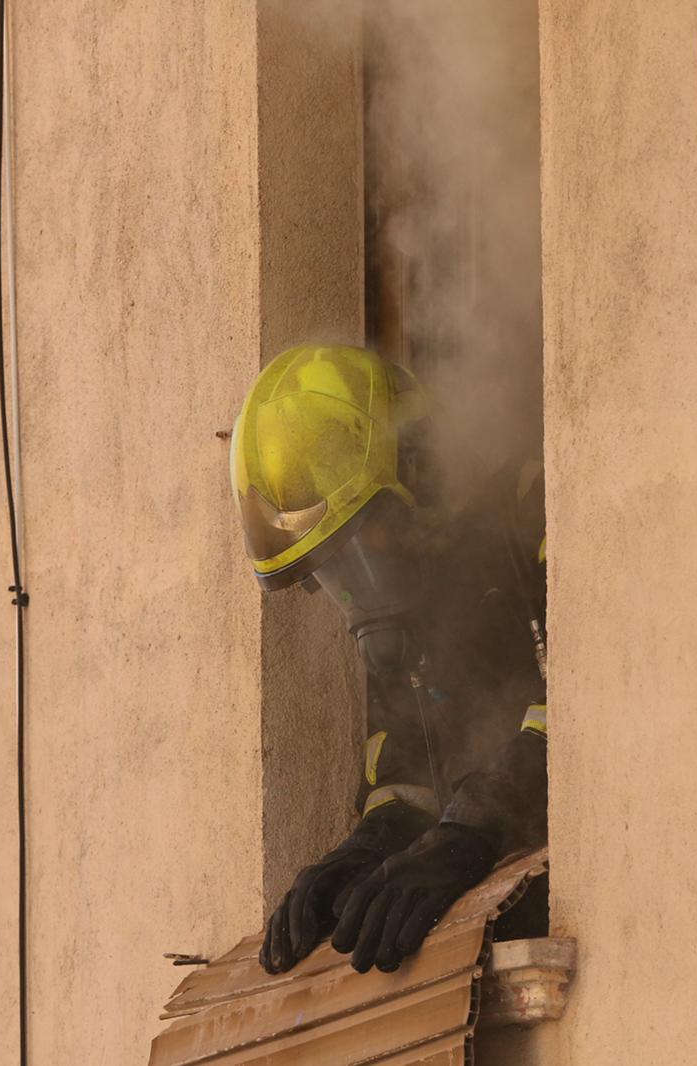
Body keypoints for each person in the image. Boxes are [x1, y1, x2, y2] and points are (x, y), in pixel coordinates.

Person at [230, 344, 548, 975]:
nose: (347, 583)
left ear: (418, 471)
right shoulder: (412, 613)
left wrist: (470, 830)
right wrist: (367, 846)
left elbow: (591, 710)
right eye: (328, 566)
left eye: (357, 541)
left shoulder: (531, 508)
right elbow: (402, 765)